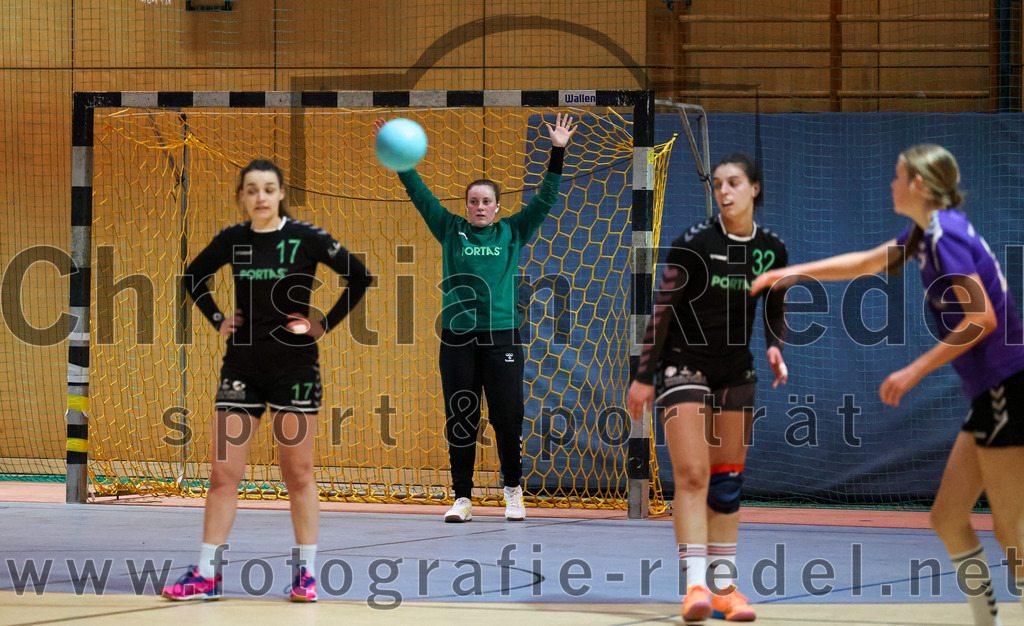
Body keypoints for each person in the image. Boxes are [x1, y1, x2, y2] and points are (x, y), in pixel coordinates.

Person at [751, 144, 1024, 626]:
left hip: (1007, 385)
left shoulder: (947, 238)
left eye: (898, 175)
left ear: (919, 183)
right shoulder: (924, 235)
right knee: (947, 518)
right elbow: (867, 262)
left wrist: (914, 369)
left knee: (1012, 531)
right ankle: (989, 620)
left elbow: (980, 318)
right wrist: (792, 273)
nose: (891, 183)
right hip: (990, 392)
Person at [160, 159, 372, 602]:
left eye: (269, 189)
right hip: (241, 370)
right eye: (252, 189)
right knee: (223, 473)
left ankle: (306, 575)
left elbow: (359, 276)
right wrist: (218, 318)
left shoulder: (305, 238)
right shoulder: (233, 240)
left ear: (279, 195)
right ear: (242, 196)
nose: (260, 196)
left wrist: (322, 324)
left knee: (298, 473)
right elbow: (192, 277)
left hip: (294, 369)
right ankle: (206, 573)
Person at [372, 113, 577, 523]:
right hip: (458, 337)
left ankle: (513, 493)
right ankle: (462, 498)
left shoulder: (512, 232)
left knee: (506, 416)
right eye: (474, 201)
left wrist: (558, 151)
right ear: (466, 206)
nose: (480, 207)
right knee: (462, 415)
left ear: (497, 207)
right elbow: (420, 194)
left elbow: (545, 199)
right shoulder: (451, 229)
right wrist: (399, 158)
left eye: (486, 201)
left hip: (502, 337)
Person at [627, 153, 789, 623]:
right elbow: (662, 311)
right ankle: (695, 585)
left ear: (754, 188)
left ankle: (725, 589)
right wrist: (642, 377)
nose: (724, 191)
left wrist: (776, 346)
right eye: (718, 183)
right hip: (683, 366)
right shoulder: (693, 243)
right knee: (694, 474)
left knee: (727, 480)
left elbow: (774, 305)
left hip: (736, 371)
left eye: (734, 182)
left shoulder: (772, 249)